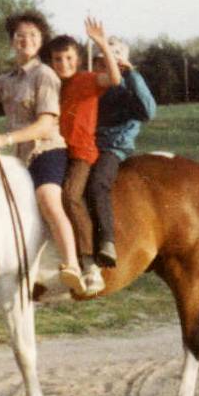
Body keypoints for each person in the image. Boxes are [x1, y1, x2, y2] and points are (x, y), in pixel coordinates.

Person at [0, 11, 85, 294]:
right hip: (18, 158)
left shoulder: (46, 75)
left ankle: (73, 265)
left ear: (41, 42)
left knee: (48, 199)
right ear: (13, 42)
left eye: (32, 35)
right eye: (19, 36)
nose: (25, 40)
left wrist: (5, 138)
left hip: (47, 151)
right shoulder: (8, 80)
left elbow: (45, 125)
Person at [46, 18, 121, 294]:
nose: (63, 63)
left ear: (77, 59)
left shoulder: (86, 81)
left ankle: (90, 262)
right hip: (58, 152)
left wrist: (101, 43)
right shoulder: (53, 84)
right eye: (57, 59)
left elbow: (114, 78)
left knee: (70, 195)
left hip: (82, 154)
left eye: (68, 58)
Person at [87, 37, 156, 267]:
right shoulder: (93, 85)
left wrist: (133, 75)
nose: (103, 67)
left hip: (113, 146)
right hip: (89, 144)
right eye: (99, 63)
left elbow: (148, 112)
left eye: (108, 63)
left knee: (98, 183)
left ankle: (107, 241)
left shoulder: (129, 86)